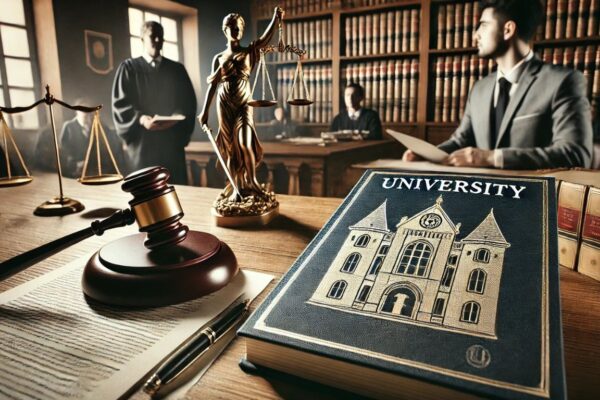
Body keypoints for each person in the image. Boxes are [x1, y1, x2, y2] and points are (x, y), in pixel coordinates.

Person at [403, 0, 592, 169]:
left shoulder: (563, 81)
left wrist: (493, 158)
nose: (475, 35)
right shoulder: (479, 88)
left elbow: (575, 153)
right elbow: (461, 140)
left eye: (483, 26)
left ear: (508, 29)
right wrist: (428, 154)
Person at [199, 8, 283, 200]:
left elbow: (264, 39)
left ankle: (252, 181)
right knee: (231, 151)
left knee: (245, 143)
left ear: (242, 29)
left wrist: (275, 19)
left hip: (244, 103)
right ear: (224, 30)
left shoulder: (249, 52)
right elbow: (212, 86)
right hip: (224, 103)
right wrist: (204, 112)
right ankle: (236, 188)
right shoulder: (218, 58)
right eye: (231, 26)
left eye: (238, 26)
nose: (235, 29)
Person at [112, 21, 197, 184]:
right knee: (145, 192)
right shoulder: (129, 68)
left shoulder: (177, 70)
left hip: (171, 143)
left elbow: (188, 102)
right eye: (153, 36)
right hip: (142, 144)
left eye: (161, 37)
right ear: (142, 38)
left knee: (175, 189)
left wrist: (177, 116)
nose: (157, 40)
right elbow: (120, 104)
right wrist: (142, 119)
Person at [59, 102, 123, 178]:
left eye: (89, 113)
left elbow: (110, 135)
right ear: (77, 112)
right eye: (84, 112)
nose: (87, 115)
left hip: (93, 168)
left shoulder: (96, 123)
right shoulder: (68, 127)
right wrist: (75, 164)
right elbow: (63, 151)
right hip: (75, 168)